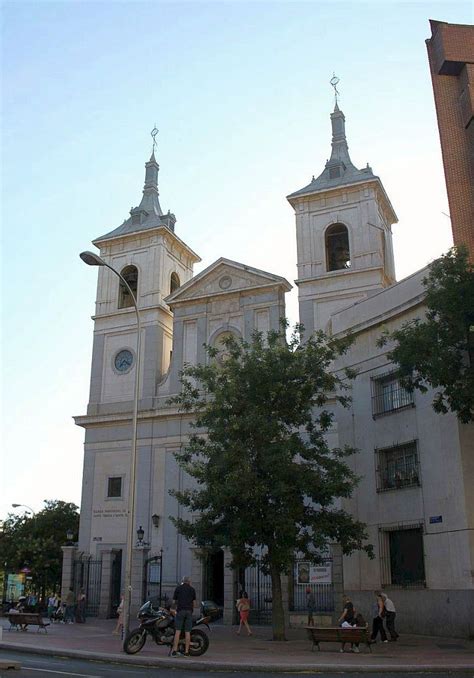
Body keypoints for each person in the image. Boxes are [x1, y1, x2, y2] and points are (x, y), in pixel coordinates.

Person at [170, 576, 196, 657]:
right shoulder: (192, 590)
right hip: (189, 611)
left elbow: (174, 602)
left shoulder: (178, 588)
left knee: (178, 631)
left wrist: (173, 609)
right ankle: (187, 652)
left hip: (180, 611)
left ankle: (174, 651)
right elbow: (194, 604)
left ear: (182, 581)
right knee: (187, 632)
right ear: (189, 582)